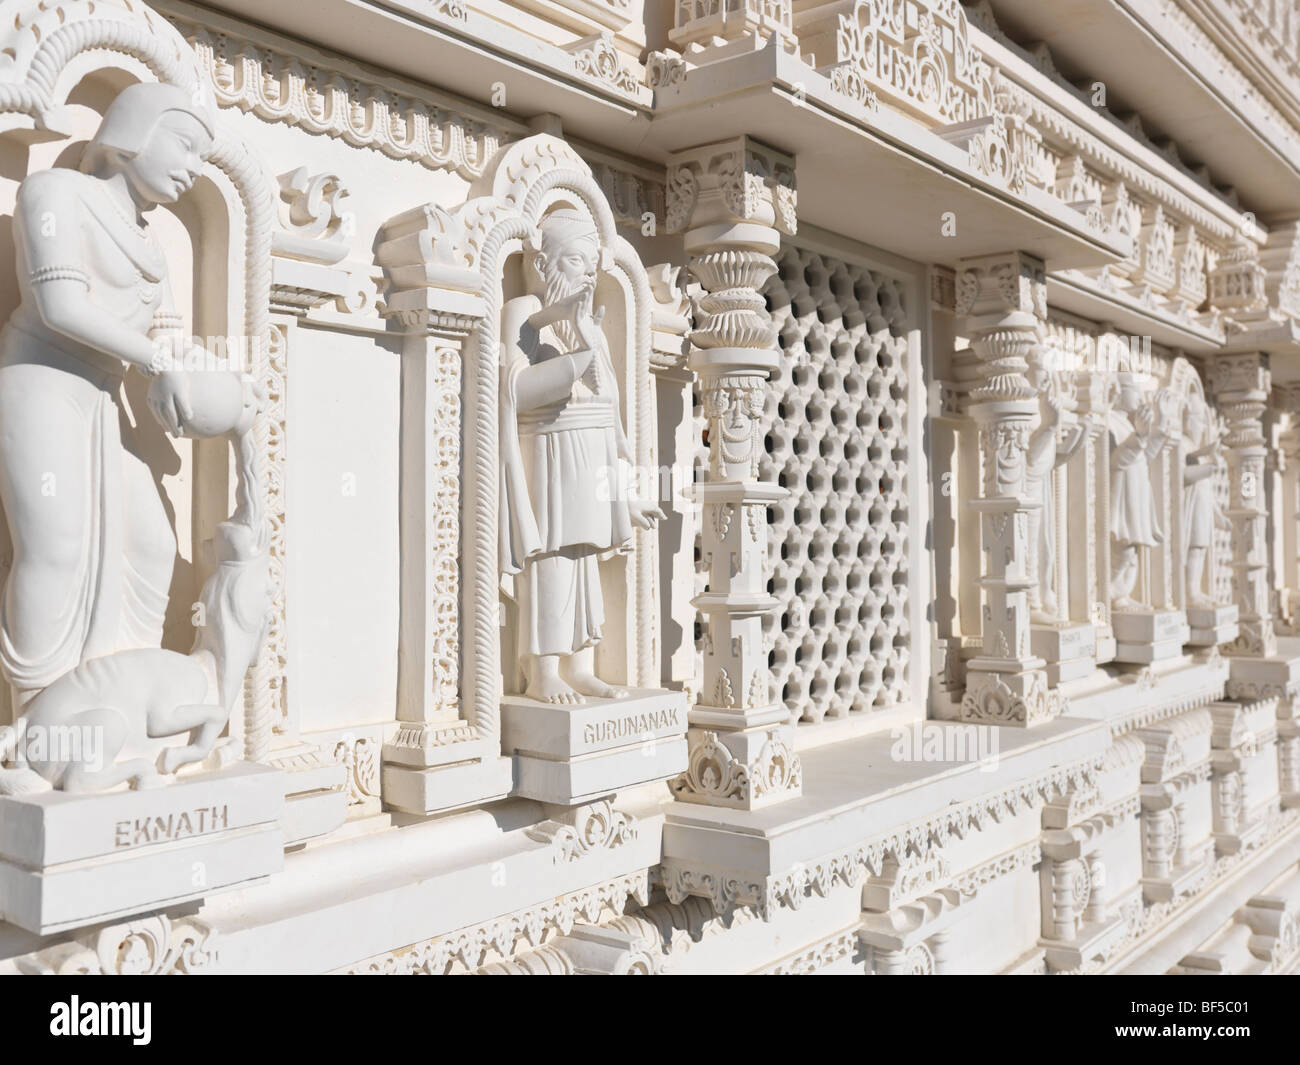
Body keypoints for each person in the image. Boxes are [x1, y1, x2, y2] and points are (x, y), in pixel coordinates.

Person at [0, 82, 216, 707]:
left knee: (149, 547)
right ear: (131, 135)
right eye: (183, 144)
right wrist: (157, 359)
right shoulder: (56, 193)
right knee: (55, 546)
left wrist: (226, 380)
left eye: (202, 156)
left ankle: (118, 707)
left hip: (103, 393)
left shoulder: (151, 240)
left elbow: (170, 338)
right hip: (42, 380)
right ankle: (41, 723)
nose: (192, 168)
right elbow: (60, 304)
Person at [499, 208, 663, 705]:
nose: (587, 275)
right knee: (551, 558)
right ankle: (542, 671)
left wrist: (625, 495)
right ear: (544, 263)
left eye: (592, 266)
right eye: (575, 261)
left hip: (590, 458)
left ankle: (582, 664)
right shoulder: (525, 311)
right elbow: (512, 389)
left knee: (586, 559)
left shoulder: (590, 327)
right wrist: (572, 358)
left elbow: (613, 419)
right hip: (548, 454)